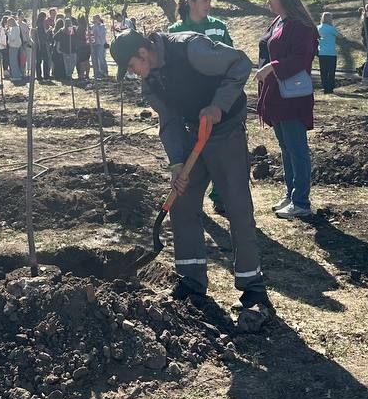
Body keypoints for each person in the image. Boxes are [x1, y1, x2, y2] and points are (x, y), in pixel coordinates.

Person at [110, 28, 272, 320]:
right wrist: (175, 163)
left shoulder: (190, 49)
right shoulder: (152, 83)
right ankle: (191, 281)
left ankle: (252, 287)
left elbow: (241, 63)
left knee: (236, 206)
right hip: (191, 135)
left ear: (143, 53)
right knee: (182, 203)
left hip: (224, 134)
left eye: (133, 66)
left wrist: (218, 105)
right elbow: (168, 119)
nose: (134, 74)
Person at [256, 0, 317, 219]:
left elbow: (301, 58)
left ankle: (301, 201)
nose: (268, 1)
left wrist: (272, 67)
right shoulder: (278, 21)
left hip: (292, 97)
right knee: (285, 147)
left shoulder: (301, 26)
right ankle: (291, 194)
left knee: (297, 149)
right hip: (277, 95)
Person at [169, 0, 234, 45]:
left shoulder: (219, 27)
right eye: (205, 1)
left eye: (210, 1)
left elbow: (231, 55)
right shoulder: (175, 30)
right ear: (191, 3)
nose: (209, 5)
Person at [317, 12, 338, 94]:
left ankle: (325, 86)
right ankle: (330, 87)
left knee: (323, 71)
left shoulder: (318, 28)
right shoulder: (331, 28)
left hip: (321, 52)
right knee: (331, 71)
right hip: (331, 53)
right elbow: (340, 36)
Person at [5, 11, 25, 83]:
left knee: (13, 61)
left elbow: (12, 38)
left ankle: (16, 76)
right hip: (17, 45)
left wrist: (8, 34)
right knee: (15, 61)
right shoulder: (17, 27)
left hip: (13, 46)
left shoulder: (14, 28)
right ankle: (17, 73)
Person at [35, 11, 53, 81]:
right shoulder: (41, 24)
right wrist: (49, 31)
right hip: (41, 45)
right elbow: (43, 36)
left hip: (39, 45)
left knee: (39, 61)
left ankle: (39, 76)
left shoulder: (38, 24)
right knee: (45, 60)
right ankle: (45, 75)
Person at [90, 14, 109, 79]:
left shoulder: (102, 26)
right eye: (93, 18)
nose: (94, 20)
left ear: (98, 19)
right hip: (94, 44)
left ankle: (104, 72)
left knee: (101, 58)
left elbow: (100, 34)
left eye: (95, 18)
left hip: (100, 44)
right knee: (94, 59)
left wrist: (96, 25)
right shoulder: (92, 26)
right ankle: (96, 72)